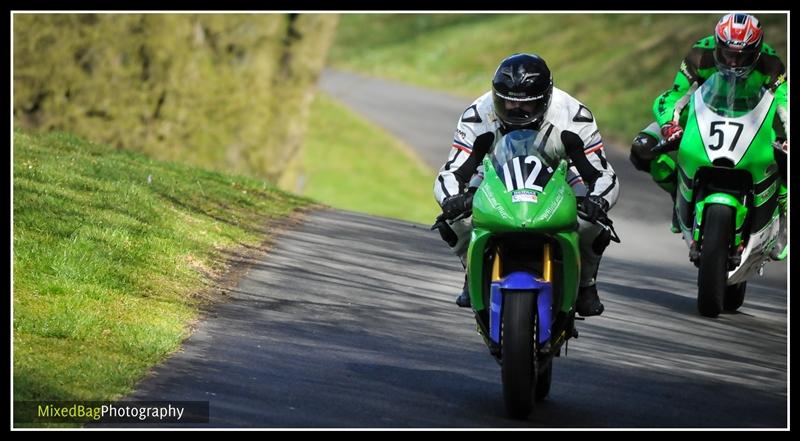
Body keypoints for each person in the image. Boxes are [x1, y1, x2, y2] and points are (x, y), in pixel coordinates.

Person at [432, 53, 619, 317]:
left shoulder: (575, 116)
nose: (514, 109)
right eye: (506, 101)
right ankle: (471, 269)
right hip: (493, 171)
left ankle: (586, 285)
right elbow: (453, 168)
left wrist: (598, 200)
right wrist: (451, 199)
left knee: (592, 224)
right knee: (455, 220)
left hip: (561, 172)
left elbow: (602, 172)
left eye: (526, 104)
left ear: (545, 98)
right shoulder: (478, 114)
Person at [629, 13, 787, 260]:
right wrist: (670, 124)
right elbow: (674, 96)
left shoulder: (771, 64)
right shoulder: (699, 55)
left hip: (752, 122)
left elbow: (784, 102)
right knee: (642, 148)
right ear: (717, 44)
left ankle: (784, 210)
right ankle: (677, 192)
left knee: (785, 157)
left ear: (755, 51)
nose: (733, 62)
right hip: (699, 116)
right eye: (727, 54)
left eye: (741, 56)